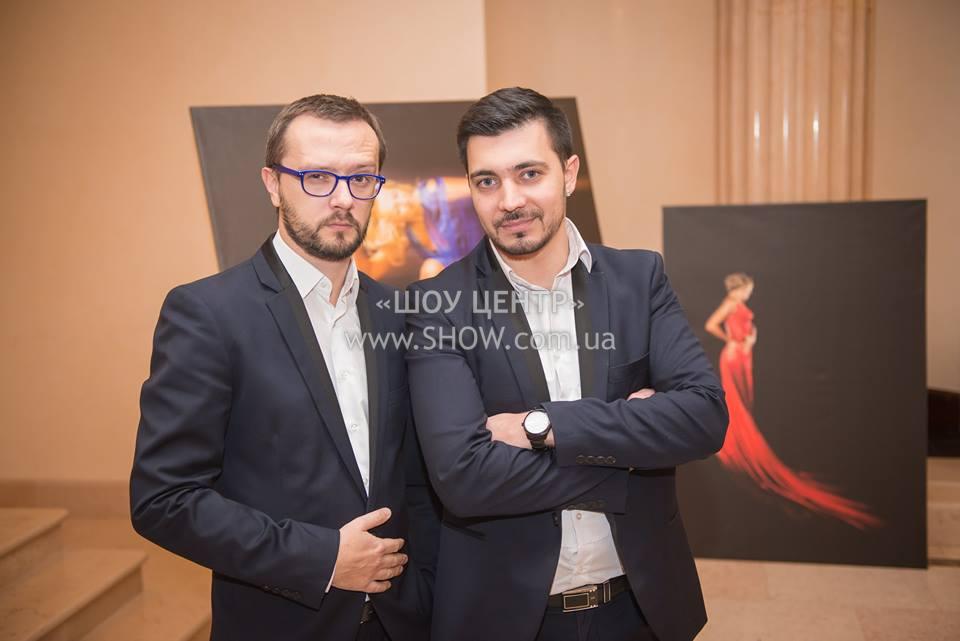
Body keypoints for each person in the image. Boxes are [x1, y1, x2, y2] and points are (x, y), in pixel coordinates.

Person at [405, 87, 728, 641]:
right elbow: (464, 479)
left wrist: (545, 427)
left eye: (529, 174)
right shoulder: (437, 304)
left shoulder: (638, 279)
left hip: (640, 607)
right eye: (487, 181)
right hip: (506, 617)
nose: (509, 200)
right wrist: (628, 453)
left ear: (569, 173)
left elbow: (703, 417)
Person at [131, 94, 438, 641]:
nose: (342, 198)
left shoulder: (399, 312)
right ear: (272, 183)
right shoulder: (207, 314)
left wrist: (428, 591)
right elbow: (164, 500)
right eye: (317, 177)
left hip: (400, 623)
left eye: (360, 178)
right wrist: (323, 558)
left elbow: (417, 477)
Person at [705, 273, 879, 528]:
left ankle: (740, 436)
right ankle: (736, 442)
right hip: (734, 356)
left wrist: (747, 342)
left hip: (742, 355)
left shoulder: (738, 303)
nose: (750, 293)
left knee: (743, 402)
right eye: (748, 289)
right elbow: (711, 325)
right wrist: (733, 340)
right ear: (740, 288)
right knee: (737, 403)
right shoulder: (731, 302)